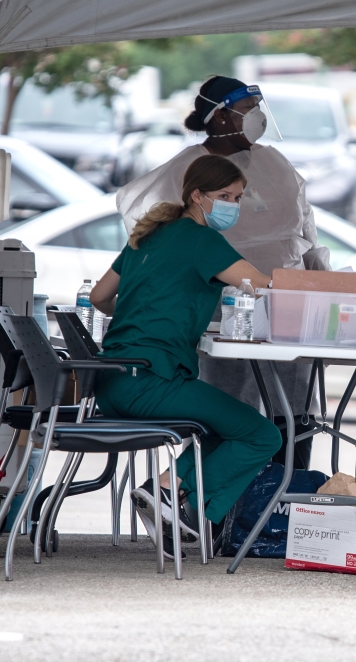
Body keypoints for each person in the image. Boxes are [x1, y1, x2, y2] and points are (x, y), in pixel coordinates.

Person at [116, 75, 330, 470]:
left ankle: (282, 509)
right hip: (223, 313)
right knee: (228, 414)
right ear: (219, 117)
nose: (257, 119)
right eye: (248, 111)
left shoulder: (275, 162)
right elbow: (146, 221)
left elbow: (306, 232)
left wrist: (320, 283)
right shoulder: (185, 173)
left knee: (292, 414)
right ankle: (207, 513)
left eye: (258, 110)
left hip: (287, 309)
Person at [90, 154, 282, 557]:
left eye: (239, 196)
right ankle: (165, 489)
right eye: (224, 195)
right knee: (261, 434)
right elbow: (261, 285)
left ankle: (176, 499)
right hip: (153, 382)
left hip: (112, 381)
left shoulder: (148, 235)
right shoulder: (202, 240)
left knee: (222, 429)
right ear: (197, 195)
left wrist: (137, 316)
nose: (233, 203)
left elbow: (98, 297)